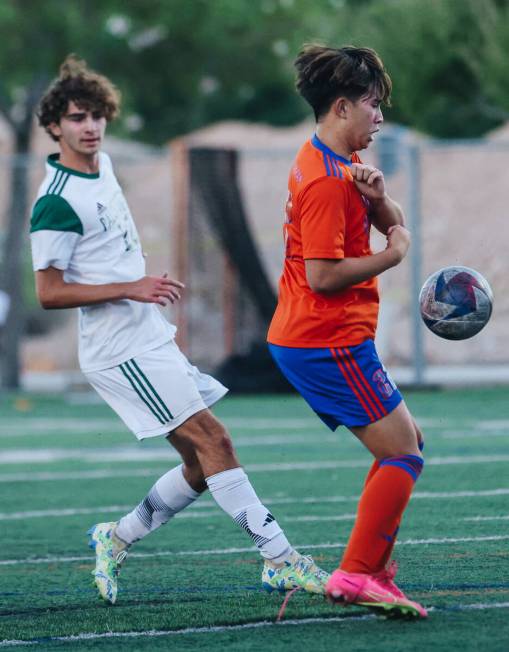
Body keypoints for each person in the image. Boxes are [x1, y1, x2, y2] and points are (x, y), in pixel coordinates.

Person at [30, 55, 329, 605]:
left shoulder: (102, 165)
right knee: (216, 441)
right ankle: (280, 559)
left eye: (97, 114)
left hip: (146, 333)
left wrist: (136, 288)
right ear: (54, 126)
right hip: (119, 351)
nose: (90, 126)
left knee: (198, 460)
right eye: (77, 117)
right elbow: (47, 293)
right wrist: (131, 287)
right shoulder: (55, 203)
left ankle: (117, 536)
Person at [267, 45, 427, 619]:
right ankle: (359, 574)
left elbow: (394, 222)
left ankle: (370, 568)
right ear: (340, 107)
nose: (379, 115)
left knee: (404, 448)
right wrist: (392, 256)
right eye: (372, 103)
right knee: (404, 454)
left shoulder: (329, 164)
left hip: (320, 336)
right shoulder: (327, 182)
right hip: (325, 338)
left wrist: (380, 201)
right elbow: (324, 277)